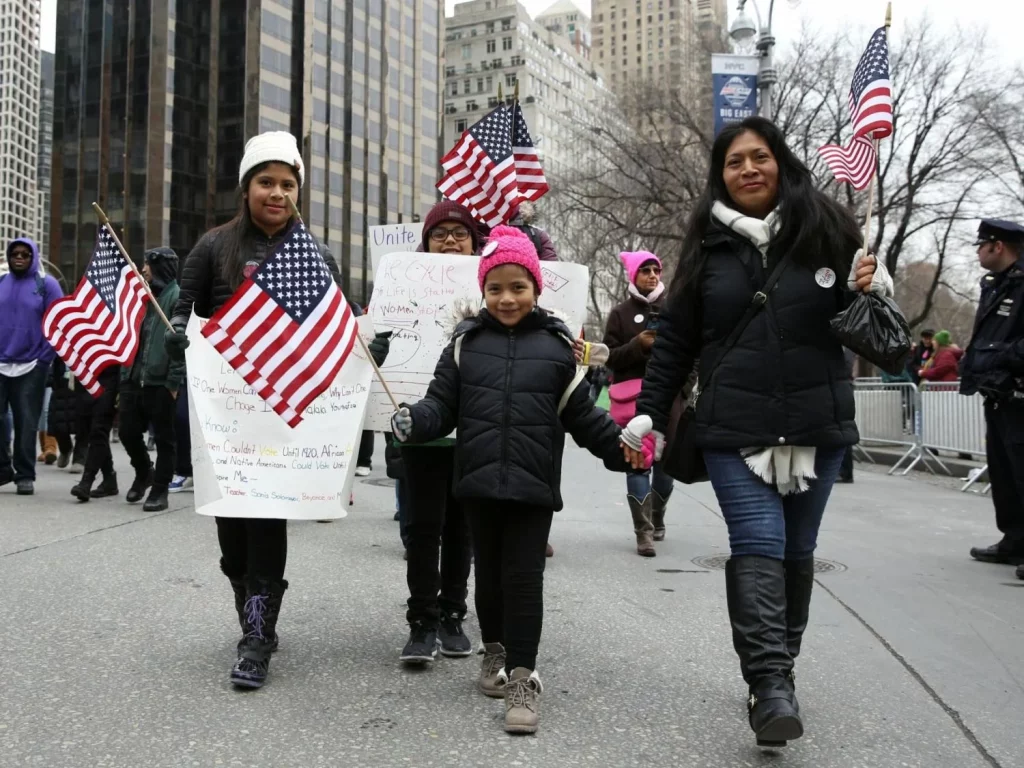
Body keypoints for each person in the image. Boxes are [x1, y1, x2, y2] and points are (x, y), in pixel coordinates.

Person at [619, 117, 890, 747]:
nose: (747, 169)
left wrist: (869, 289)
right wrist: (650, 413)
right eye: (734, 161)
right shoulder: (707, 249)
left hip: (816, 426)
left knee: (798, 551)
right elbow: (678, 341)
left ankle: (781, 672)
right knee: (760, 538)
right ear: (721, 174)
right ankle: (769, 687)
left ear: (780, 163)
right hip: (734, 427)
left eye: (758, 157)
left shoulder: (828, 233)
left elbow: (866, 329)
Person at [390, 226, 642, 734]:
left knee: (524, 580)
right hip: (478, 485)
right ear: (483, 291)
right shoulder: (464, 345)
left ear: (535, 289)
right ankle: (495, 653)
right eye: (496, 288)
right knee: (490, 578)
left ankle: (523, 678)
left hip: (532, 488)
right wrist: (416, 420)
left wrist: (620, 450)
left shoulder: (557, 349)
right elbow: (443, 404)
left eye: (517, 287)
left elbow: (582, 415)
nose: (507, 298)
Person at [164, 130, 389, 689]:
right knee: (231, 539)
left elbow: (336, 329)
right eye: (266, 181)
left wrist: (365, 351)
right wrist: (174, 340)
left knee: (265, 522)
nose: (277, 193)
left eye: (288, 184)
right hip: (224, 418)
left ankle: (257, 636)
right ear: (246, 189)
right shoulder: (213, 246)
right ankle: (248, 597)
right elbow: (181, 310)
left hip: (284, 417)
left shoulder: (316, 256)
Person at [397, 200, 478, 665]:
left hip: (472, 429)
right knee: (422, 528)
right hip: (419, 427)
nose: (449, 240)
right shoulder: (398, 288)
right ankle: (421, 620)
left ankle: (453, 614)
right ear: (425, 242)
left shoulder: (494, 295)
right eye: (439, 232)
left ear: (475, 243)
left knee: (460, 527)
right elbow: (373, 344)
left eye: (460, 232)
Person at [959, 219, 1024, 578]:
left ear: (997, 246)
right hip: (997, 391)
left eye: (981, 244)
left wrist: (1005, 359)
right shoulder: (996, 285)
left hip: (1018, 390)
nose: (979, 251)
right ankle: (1014, 540)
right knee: (1003, 471)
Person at [602, 251, 676, 556]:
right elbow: (609, 356)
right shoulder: (620, 313)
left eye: (656, 270)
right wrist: (637, 345)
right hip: (631, 401)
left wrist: (684, 386)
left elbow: (691, 354)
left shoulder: (675, 309)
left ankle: (657, 515)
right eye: (645, 270)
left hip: (669, 399)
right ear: (634, 276)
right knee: (637, 463)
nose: (652, 275)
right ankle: (642, 531)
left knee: (665, 467)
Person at [118, 247, 183, 513]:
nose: (143, 270)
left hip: (161, 383)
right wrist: (125, 375)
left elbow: (181, 344)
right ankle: (144, 471)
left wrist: (173, 383)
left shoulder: (177, 299)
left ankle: (159, 489)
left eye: (147, 265)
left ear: (161, 267)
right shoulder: (141, 298)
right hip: (134, 379)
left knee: (165, 439)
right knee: (127, 432)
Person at [0, 237, 64, 495]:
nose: (19, 257)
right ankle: (3, 469)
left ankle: (25, 474)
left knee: (27, 421)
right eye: (14, 253)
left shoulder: (46, 284)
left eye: (25, 254)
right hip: (1, 363)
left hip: (31, 366)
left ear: (33, 256)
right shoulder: (1, 282)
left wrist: (44, 360)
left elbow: (59, 323)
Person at [69, 365, 120, 501]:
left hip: (111, 374)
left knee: (99, 429)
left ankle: (86, 481)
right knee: (89, 430)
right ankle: (109, 478)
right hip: (85, 373)